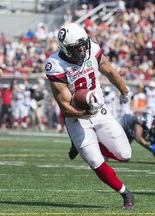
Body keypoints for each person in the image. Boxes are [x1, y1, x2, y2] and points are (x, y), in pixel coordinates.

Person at [44, 23, 134, 210]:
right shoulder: (56, 65)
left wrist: (124, 91)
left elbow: (108, 69)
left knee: (125, 155)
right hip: (77, 118)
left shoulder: (91, 48)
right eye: (77, 47)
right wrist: (87, 109)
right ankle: (125, 193)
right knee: (95, 160)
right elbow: (66, 108)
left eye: (83, 44)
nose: (82, 49)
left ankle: (84, 143)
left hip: (100, 110)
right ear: (65, 48)